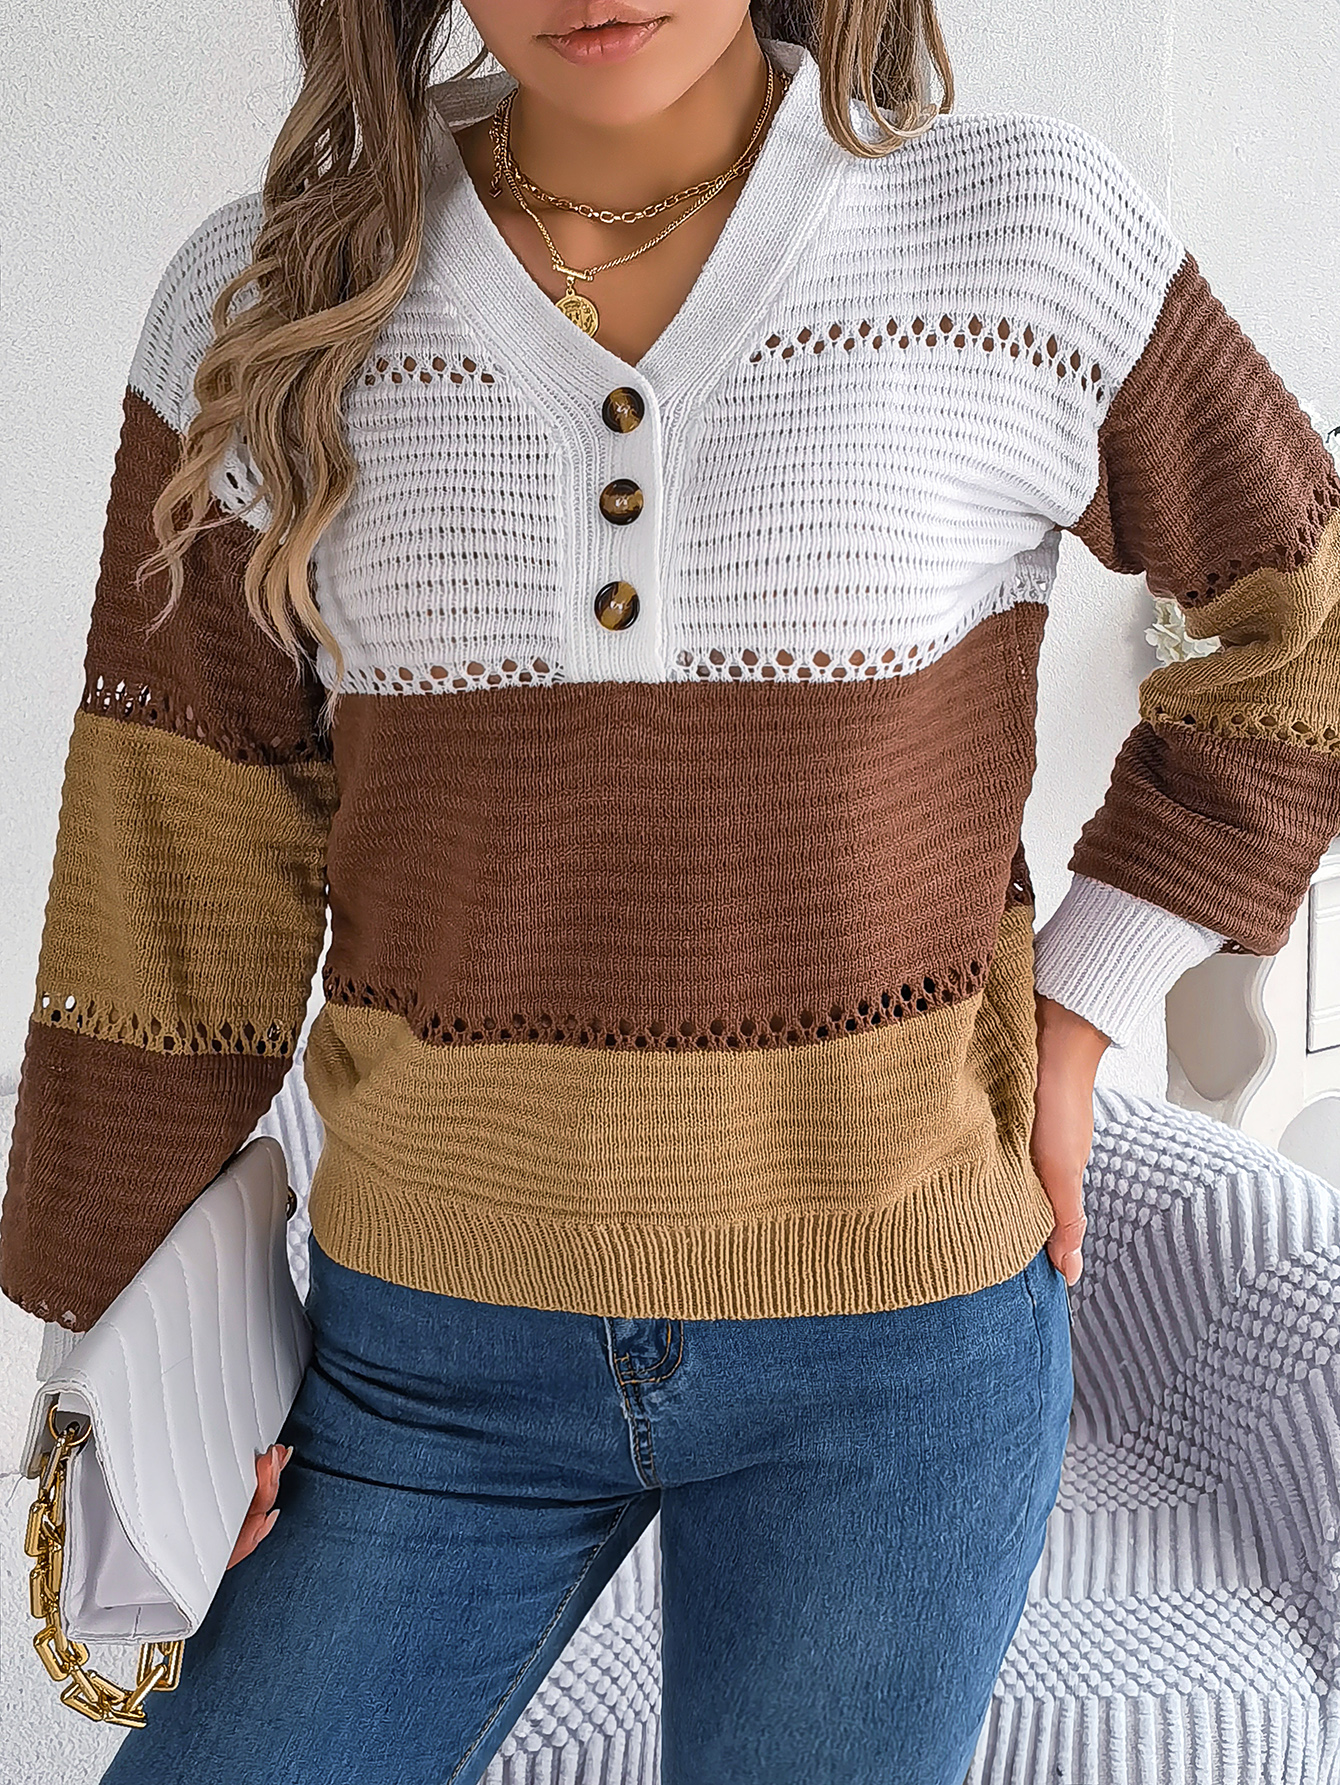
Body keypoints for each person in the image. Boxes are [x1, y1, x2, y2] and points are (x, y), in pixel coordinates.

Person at [5, 0, 1338, 1779]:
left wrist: (1086, 1004)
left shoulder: (1022, 243)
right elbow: (169, 864)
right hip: (422, 1361)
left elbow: (1306, 623)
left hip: (895, 1362)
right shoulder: (265, 309)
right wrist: (126, 1362)